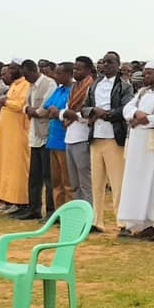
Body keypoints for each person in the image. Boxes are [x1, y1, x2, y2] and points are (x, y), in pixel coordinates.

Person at [82, 51, 134, 233]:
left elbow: (126, 109)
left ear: (118, 65)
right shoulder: (95, 84)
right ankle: (96, 221)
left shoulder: (124, 86)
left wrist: (105, 114)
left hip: (114, 137)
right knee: (96, 183)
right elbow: (84, 107)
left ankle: (123, 223)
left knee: (117, 183)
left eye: (110, 62)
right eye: (104, 62)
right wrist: (92, 112)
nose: (106, 65)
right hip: (96, 137)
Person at [117, 61, 154, 236]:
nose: (145, 76)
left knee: (152, 182)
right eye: (145, 73)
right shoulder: (142, 92)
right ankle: (138, 222)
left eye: (149, 73)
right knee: (135, 181)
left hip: (153, 142)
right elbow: (127, 109)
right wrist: (136, 114)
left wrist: (142, 120)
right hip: (137, 143)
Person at [0, 58, 32, 214]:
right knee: (5, 166)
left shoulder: (26, 85)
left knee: (17, 169)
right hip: (6, 134)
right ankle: (5, 199)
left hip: (18, 133)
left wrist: (6, 102)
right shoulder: (14, 85)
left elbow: (21, 105)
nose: (9, 72)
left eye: (12, 68)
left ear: (21, 69)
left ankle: (18, 201)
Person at [18, 60, 57, 220]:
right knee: (34, 176)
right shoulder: (31, 86)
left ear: (33, 70)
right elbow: (25, 106)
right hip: (34, 135)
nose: (25, 78)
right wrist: (28, 109)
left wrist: (33, 111)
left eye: (26, 74)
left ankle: (51, 211)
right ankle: (34, 209)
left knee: (48, 176)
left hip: (46, 135)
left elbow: (45, 109)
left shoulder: (49, 84)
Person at [62, 56, 95, 206]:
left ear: (88, 70)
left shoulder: (90, 87)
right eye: (74, 69)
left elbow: (90, 113)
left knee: (85, 181)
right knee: (74, 182)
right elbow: (66, 110)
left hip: (82, 137)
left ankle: (89, 212)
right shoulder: (74, 88)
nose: (75, 71)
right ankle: (78, 211)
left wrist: (76, 116)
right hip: (70, 137)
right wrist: (67, 114)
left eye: (79, 69)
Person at [42, 62, 74, 209]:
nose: (56, 76)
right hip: (53, 140)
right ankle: (58, 212)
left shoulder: (73, 91)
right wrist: (55, 111)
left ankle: (69, 213)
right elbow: (48, 106)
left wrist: (56, 112)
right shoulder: (59, 90)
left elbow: (63, 112)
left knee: (67, 182)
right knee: (56, 181)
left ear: (69, 74)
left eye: (59, 73)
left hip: (64, 140)